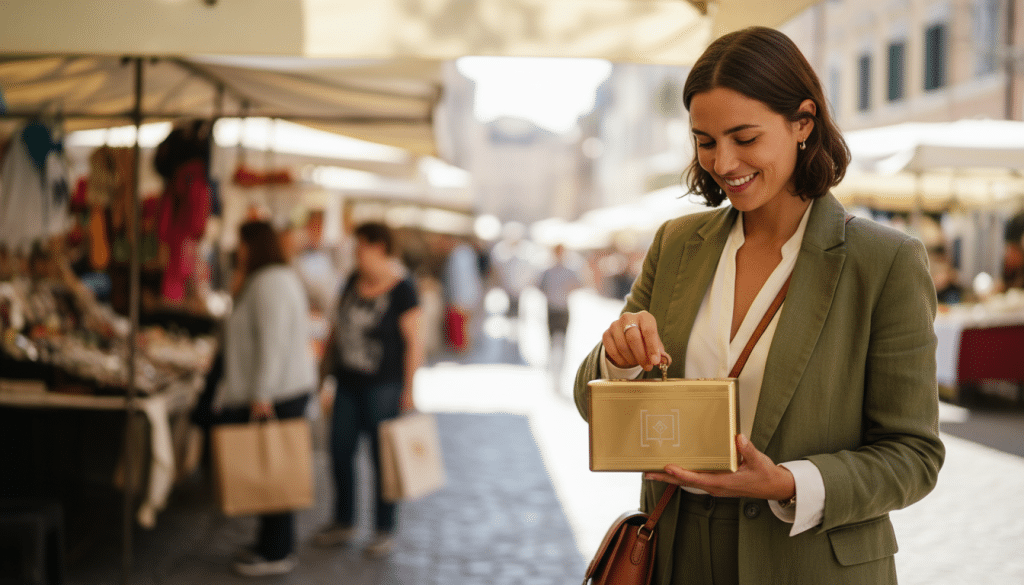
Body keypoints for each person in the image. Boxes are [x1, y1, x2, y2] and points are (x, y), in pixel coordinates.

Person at [574, 27, 944, 585]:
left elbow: (914, 455)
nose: (723, 162)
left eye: (744, 138)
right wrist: (618, 357)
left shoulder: (883, 261)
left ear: (803, 122)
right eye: (705, 141)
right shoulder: (676, 243)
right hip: (677, 557)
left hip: (810, 564)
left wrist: (789, 483)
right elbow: (591, 401)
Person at [213, 220, 316, 577]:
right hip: (281, 389)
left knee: (275, 470)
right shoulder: (268, 278)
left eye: (241, 244)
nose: (236, 250)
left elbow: (271, 342)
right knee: (271, 468)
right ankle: (269, 543)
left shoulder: (270, 282)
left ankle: (277, 550)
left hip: (277, 392)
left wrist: (261, 394)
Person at [314, 222, 423, 557]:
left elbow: (414, 342)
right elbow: (335, 328)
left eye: (359, 247)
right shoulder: (350, 281)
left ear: (379, 248)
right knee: (340, 451)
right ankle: (343, 520)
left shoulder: (403, 289)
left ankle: (383, 528)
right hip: (347, 382)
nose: (355, 254)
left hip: (384, 387)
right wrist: (324, 375)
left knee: (382, 458)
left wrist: (409, 390)